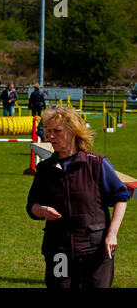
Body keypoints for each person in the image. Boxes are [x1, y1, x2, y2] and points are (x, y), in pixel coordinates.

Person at [26, 107, 130, 288]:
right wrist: (42, 210)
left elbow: (121, 196)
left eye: (57, 131)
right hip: (58, 251)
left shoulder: (96, 163)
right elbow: (32, 205)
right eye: (48, 131)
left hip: (96, 250)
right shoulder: (45, 169)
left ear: (73, 132)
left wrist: (112, 233)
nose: (51, 136)